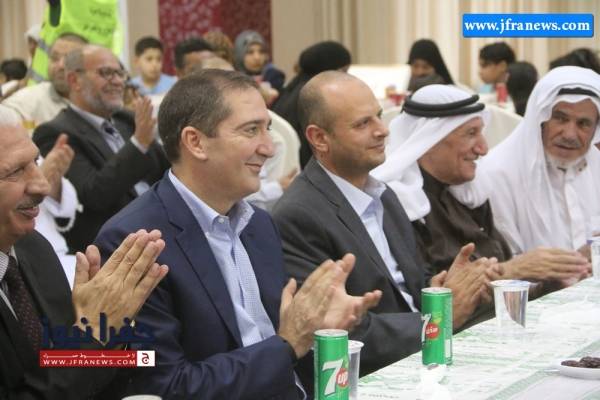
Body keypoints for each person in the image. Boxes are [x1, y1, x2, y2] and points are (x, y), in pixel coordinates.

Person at [95, 69, 382, 399]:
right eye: (251, 130)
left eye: (267, 129)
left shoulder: (258, 224)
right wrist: (288, 343)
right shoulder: (135, 241)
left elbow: (284, 341)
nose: (269, 148)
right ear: (195, 142)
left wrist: (320, 328)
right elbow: (166, 387)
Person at [272, 71, 496, 376]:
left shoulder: (383, 194)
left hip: (425, 355)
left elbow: (410, 284)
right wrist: (439, 321)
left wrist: (442, 290)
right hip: (374, 375)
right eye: (363, 124)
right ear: (320, 138)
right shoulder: (299, 216)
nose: (382, 130)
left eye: (378, 116)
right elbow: (337, 331)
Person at [0, 118, 168, 399]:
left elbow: (66, 369)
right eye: (16, 171)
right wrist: (91, 338)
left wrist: (113, 335)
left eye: (36, 162)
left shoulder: (33, 249)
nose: (42, 186)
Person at [373, 84, 590, 291]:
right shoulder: (401, 204)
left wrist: (551, 282)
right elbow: (427, 298)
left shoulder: (471, 192)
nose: (483, 149)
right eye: (471, 133)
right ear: (429, 140)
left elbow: (503, 279)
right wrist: (511, 271)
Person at [450, 67, 600, 276]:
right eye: (560, 118)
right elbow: (501, 267)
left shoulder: (595, 165)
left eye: (583, 124)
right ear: (540, 120)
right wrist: (577, 263)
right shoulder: (498, 173)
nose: (569, 134)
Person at [32, 45, 169, 252]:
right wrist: (138, 144)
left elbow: (168, 169)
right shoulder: (56, 133)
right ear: (74, 80)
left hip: (161, 226)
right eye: (106, 73)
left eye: (120, 73)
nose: (117, 81)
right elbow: (93, 195)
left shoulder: (126, 120)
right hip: (114, 244)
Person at [272, 41, 351, 168]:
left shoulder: (290, 89)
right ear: (329, 70)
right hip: (310, 167)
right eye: (344, 71)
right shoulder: (317, 96)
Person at [2, 33, 87, 131]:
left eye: (69, 59)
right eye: (55, 58)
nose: (60, 66)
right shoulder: (26, 101)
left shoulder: (97, 102)